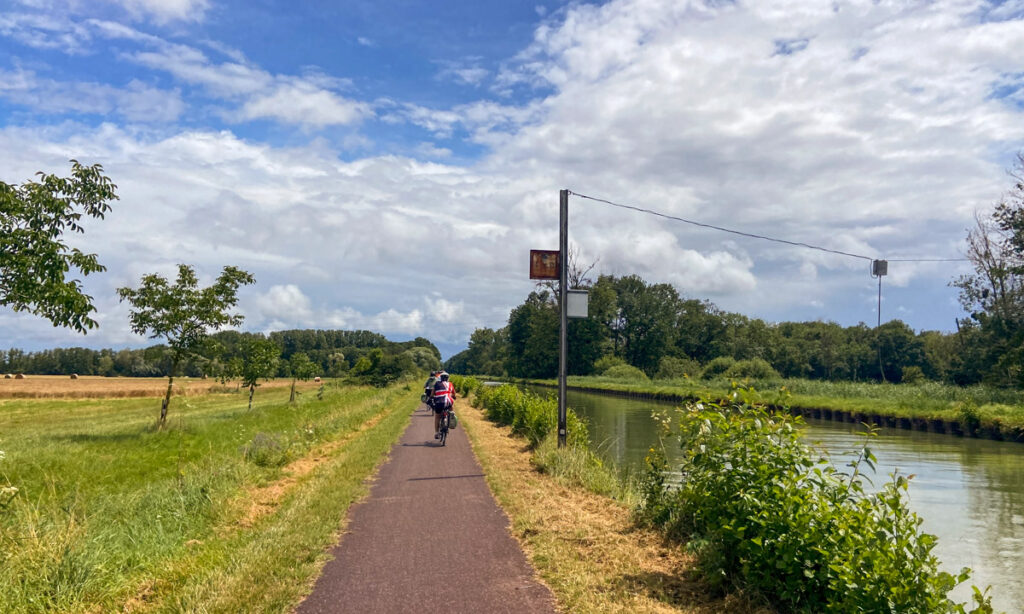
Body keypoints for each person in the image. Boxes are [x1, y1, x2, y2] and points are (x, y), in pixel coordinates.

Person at [431, 372, 456, 439]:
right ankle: (451, 416)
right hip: (448, 401)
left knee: (437, 417)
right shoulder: (450, 384)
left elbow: (432, 394)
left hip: (439, 402)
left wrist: (432, 397)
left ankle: (436, 433)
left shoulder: (436, 384)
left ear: (440, 378)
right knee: (451, 406)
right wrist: (454, 397)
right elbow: (453, 394)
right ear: (447, 378)